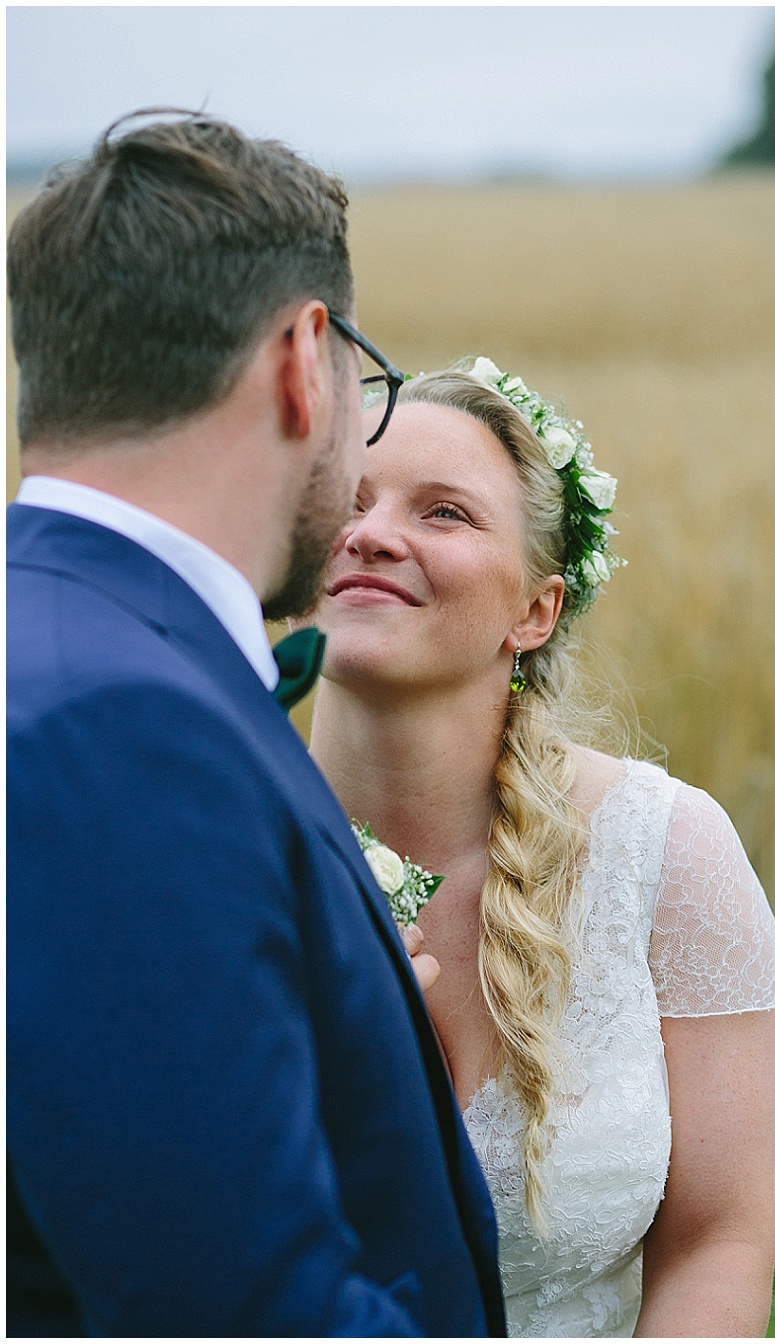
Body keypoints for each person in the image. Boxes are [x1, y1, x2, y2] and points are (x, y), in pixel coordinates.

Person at [7, 111, 506, 1338]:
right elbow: (244, 1302)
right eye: (363, 387)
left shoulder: (60, 642)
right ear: (301, 357)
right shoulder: (122, 728)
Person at [306, 357, 775, 1338]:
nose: (371, 534)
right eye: (345, 500)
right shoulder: (204, 846)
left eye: (443, 512)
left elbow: (719, 1235)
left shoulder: (667, 852)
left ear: (535, 610)